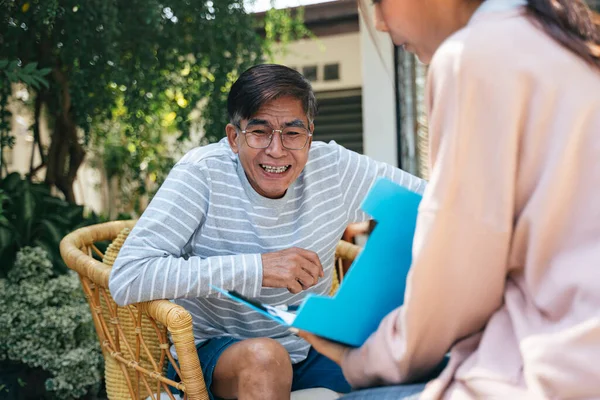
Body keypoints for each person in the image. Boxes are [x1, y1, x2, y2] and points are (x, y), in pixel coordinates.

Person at [300, 0, 600, 398]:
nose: (379, 22)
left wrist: (361, 358)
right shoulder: (570, 40)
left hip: (552, 368)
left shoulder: (472, 57)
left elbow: (456, 290)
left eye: (378, 1)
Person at [108, 64, 426, 400]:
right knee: (266, 358)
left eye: (292, 133)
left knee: (411, 364)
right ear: (234, 137)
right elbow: (128, 276)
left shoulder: (334, 169)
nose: (277, 150)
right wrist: (257, 268)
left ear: (310, 135)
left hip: (310, 345)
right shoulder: (202, 174)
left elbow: (433, 206)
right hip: (220, 354)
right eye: (260, 132)